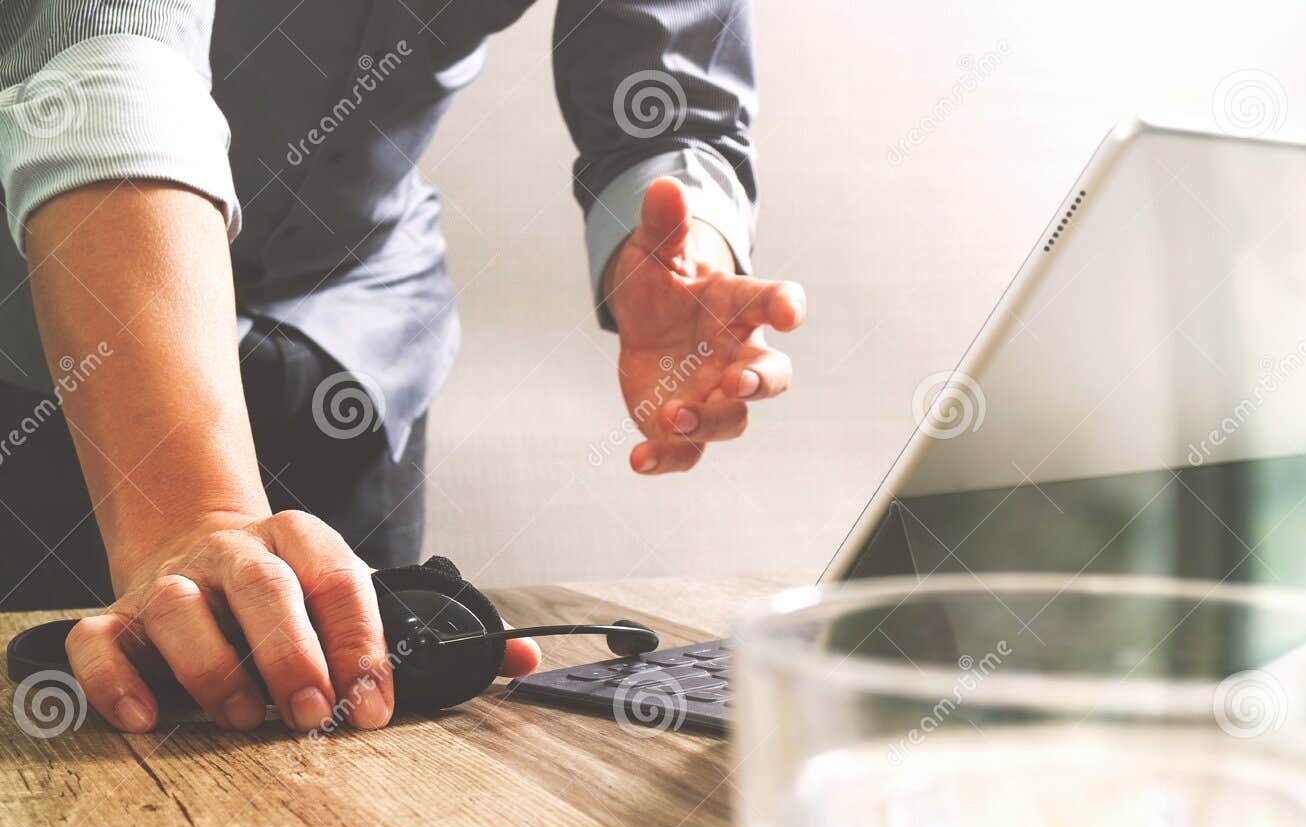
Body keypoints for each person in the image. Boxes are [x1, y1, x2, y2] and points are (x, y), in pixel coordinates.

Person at [0, 1, 805, 735]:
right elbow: (101, 62)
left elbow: (669, 80)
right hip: (56, 348)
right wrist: (193, 517)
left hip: (357, 350)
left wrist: (679, 240)